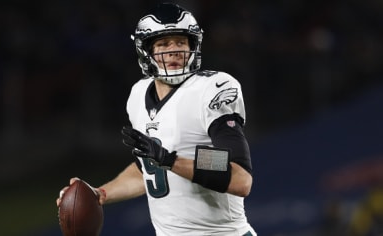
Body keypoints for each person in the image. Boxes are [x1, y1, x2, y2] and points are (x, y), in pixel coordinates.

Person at [57, 2, 256, 235]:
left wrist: (171, 160)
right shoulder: (138, 94)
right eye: (163, 44)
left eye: (181, 42)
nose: (174, 50)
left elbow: (240, 177)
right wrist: (101, 193)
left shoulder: (210, 88)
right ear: (147, 52)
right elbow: (148, 168)